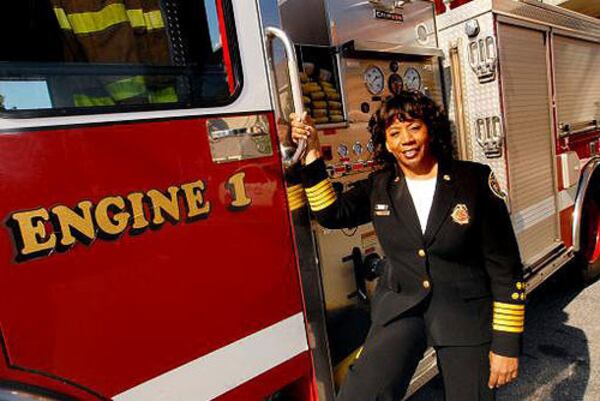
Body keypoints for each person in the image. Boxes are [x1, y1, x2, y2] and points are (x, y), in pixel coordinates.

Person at [290, 91, 525, 401]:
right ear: (387, 143)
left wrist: (506, 344)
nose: (407, 140)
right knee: (360, 395)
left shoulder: (474, 180)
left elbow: (505, 266)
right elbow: (332, 214)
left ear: (431, 130)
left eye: (414, 127)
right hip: (402, 307)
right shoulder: (380, 186)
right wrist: (311, 155)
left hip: (463, 312)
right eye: (395, 133)